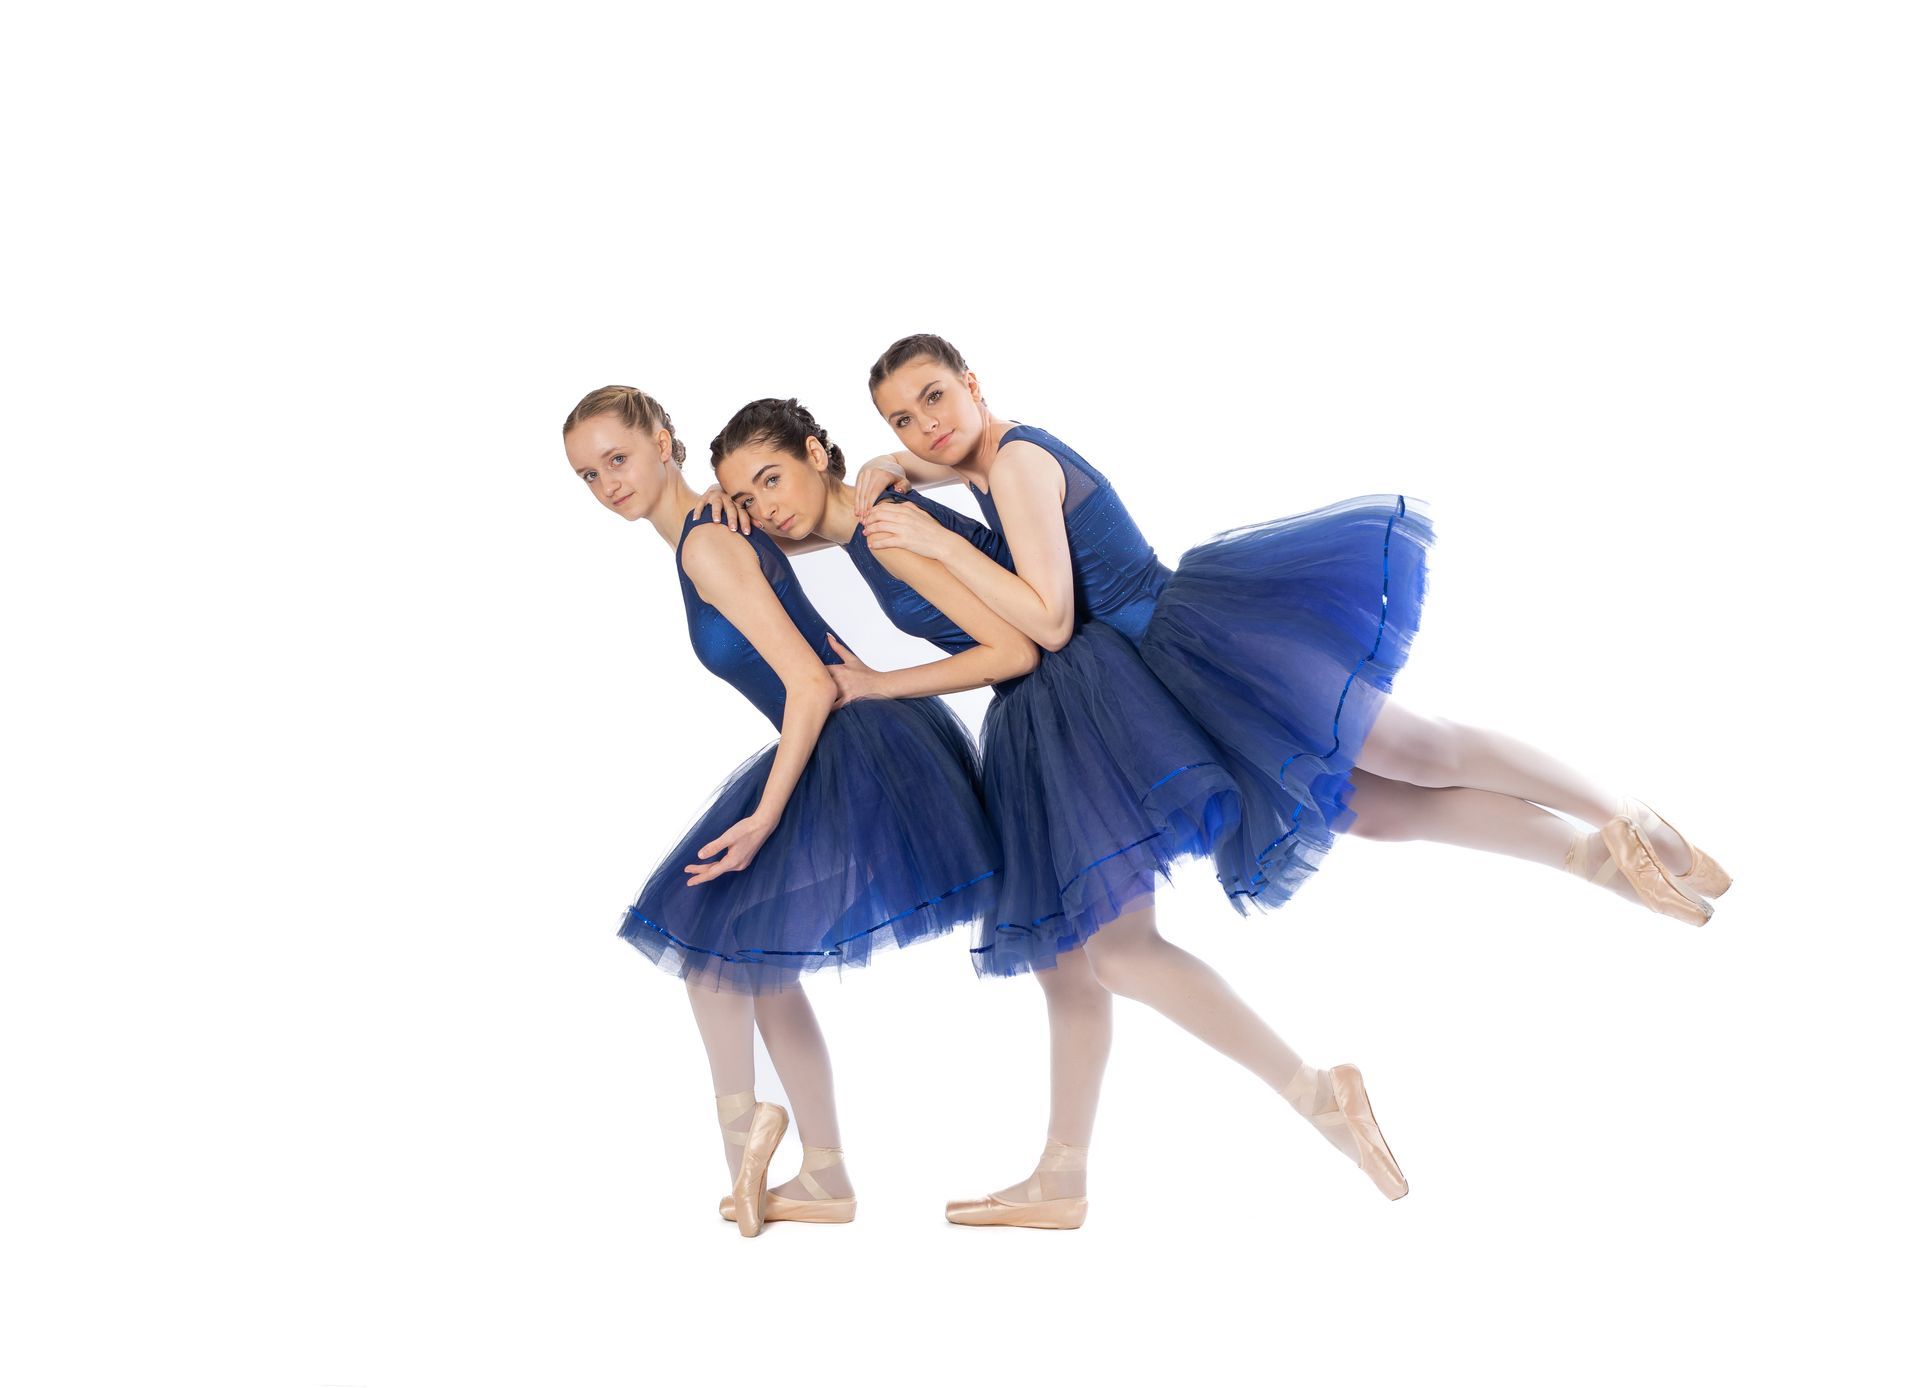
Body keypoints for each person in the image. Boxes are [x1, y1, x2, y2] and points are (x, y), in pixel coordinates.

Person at [709, 395, 1410, 1227]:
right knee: (1066, 964)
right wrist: (716, 513)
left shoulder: (883, 531)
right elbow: (796, 541)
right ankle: (1061, 1177)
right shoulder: (861, 522)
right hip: (1042, 717)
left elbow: (1013, 648)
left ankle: (1317, 1094)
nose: (765, 507)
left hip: (1065, 704)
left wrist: (878, 684)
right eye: (747, 496)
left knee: (1119, 952)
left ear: (816, 453)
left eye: (771, 479)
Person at [561, 385, 999, 1236]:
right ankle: (820, 1174)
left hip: (853, 745)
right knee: (752, 960)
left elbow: (807, 683)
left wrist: (764, 816)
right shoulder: (715, 525)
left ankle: (750, 1145)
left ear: (663, 442)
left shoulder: (707, 543)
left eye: (618, 458)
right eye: (588, 475)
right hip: (845, 742)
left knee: (716, 958)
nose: (608, 484)